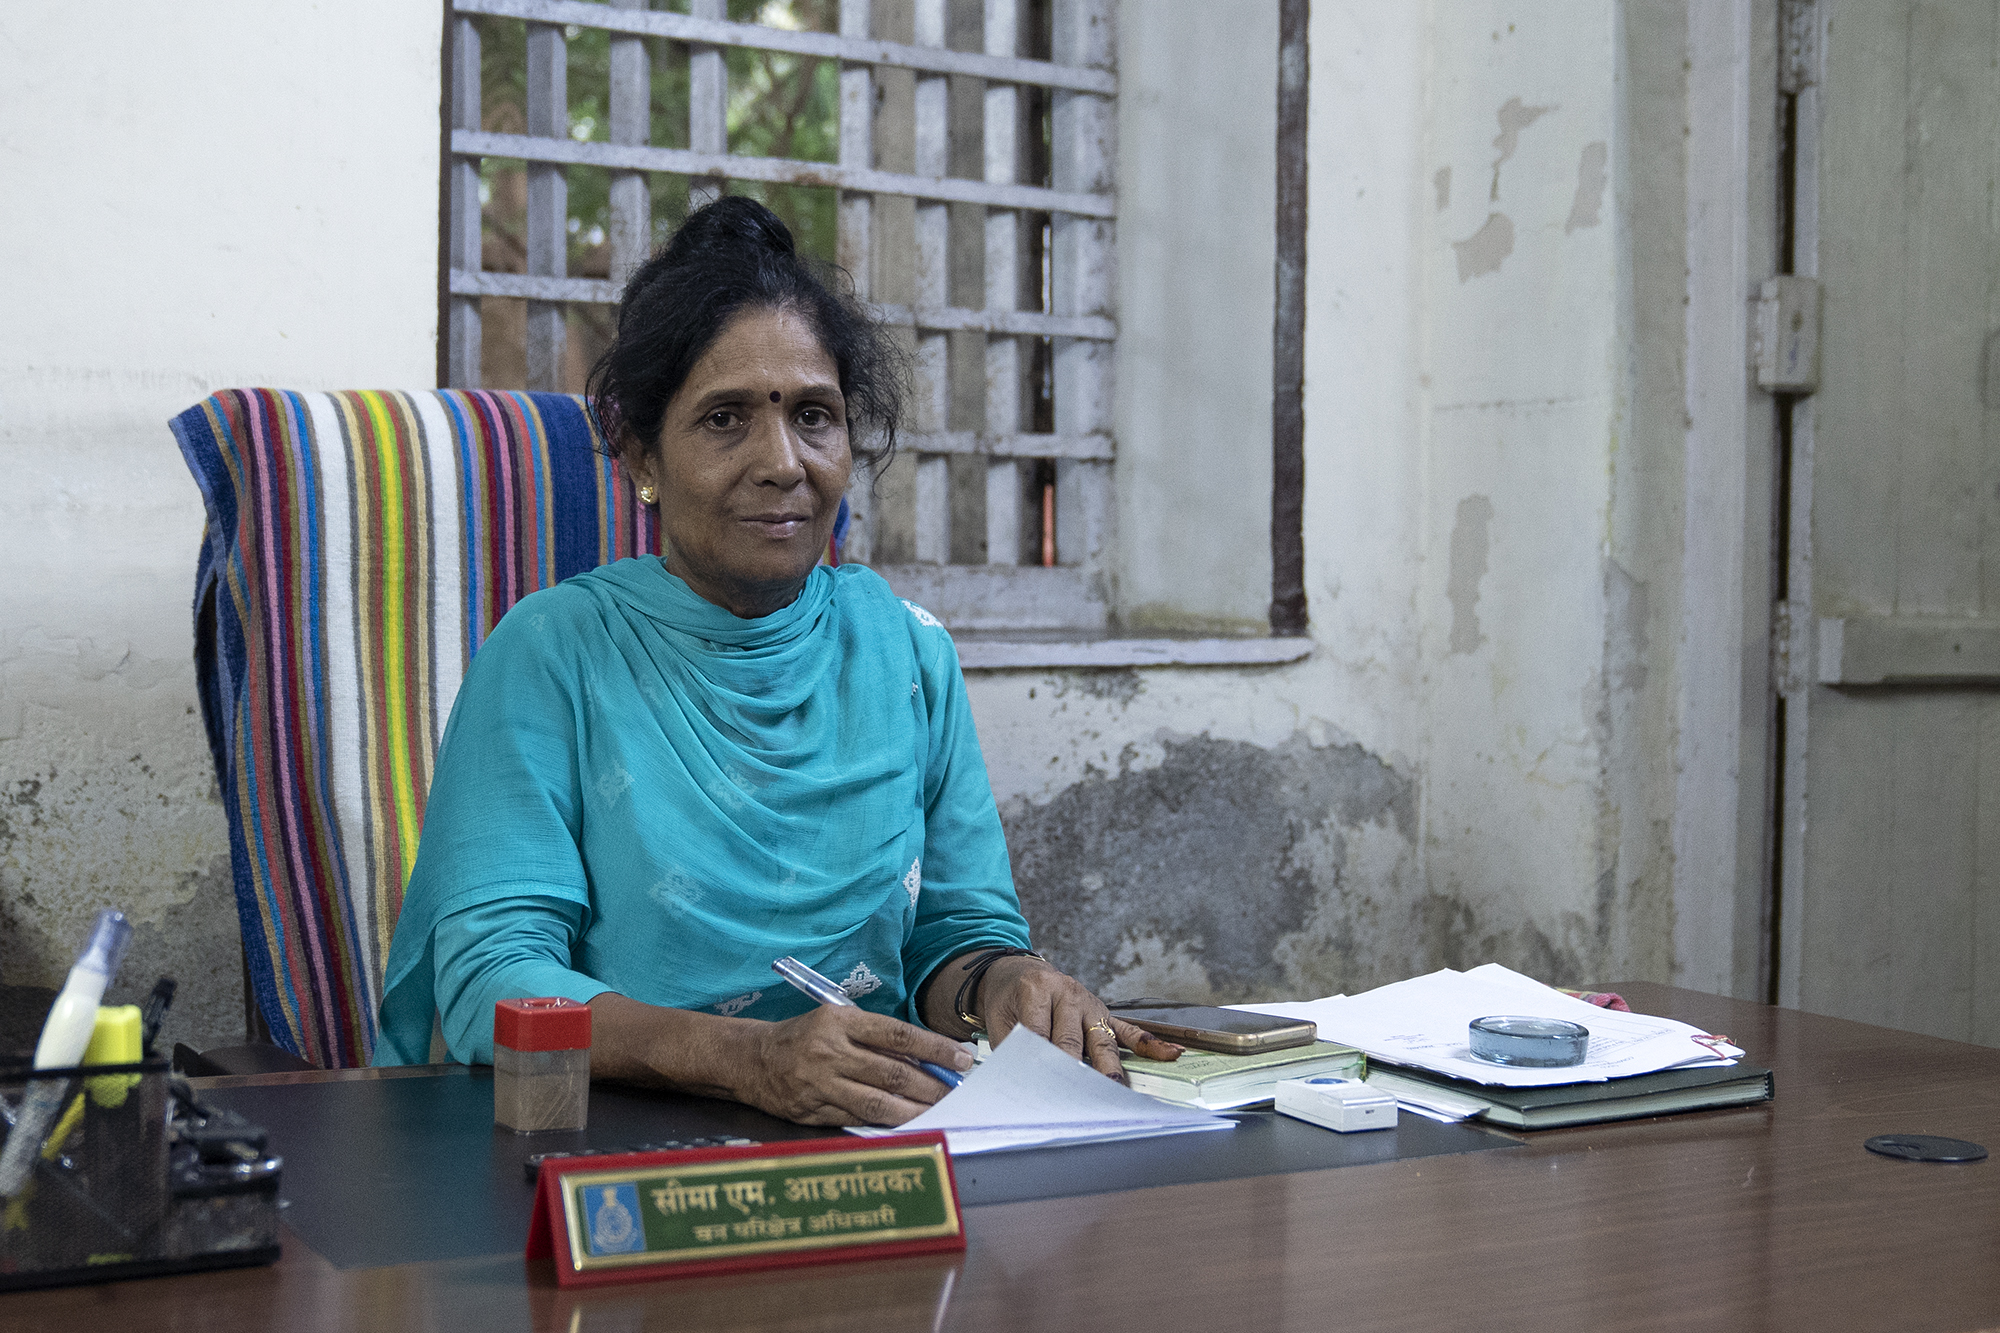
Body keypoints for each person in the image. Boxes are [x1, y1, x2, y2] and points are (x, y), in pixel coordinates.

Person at [375, 198, 1179, 1126]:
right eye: (724, 419)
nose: (782, 461)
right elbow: (493, 979)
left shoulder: (907, 651)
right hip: (618, 1149)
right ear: (642, 454)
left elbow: (955, 940)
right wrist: (746, 1059)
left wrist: (1008, 988)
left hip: (887, 1140)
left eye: (813, 415)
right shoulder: (551, 655)